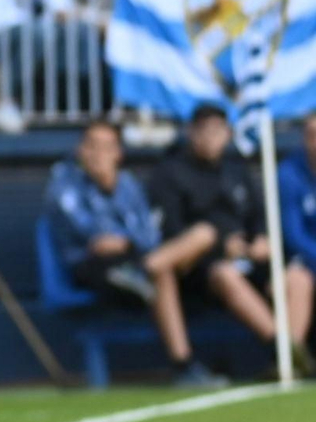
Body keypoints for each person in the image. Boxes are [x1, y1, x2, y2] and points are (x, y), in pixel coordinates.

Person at [45, 120, 226, 386]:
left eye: (106, 147)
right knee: (161, 272)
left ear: (119, 153)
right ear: (80, 150)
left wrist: (127, 243)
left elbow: (148, 234)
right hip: (92, 267)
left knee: (202, 234)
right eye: (92, 146)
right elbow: (93, 238)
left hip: (137, 261)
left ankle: (144, 273)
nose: (98, 154)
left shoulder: (128, 185)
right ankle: (183, 365)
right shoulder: (63, 185)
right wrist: (124, 238)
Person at [149, 104, 316, 373]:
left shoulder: (236, 170)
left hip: (249, 262)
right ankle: (283, 347)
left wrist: (261, 239)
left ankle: (288, 363)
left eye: (218, 131)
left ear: (228, 133)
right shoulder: (170, 173)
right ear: (191, 132)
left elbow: (260, 216)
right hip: (203, 271)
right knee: (225, 273)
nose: (211, 137)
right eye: (204, 131)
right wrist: (222, 246)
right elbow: (173, 235)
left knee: (299, 278)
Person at [278, 112, 316, 353]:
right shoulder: (288, 173)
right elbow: (293, 234)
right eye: (312, 135)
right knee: (297, 279)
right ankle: (293, 357)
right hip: (303, 261)